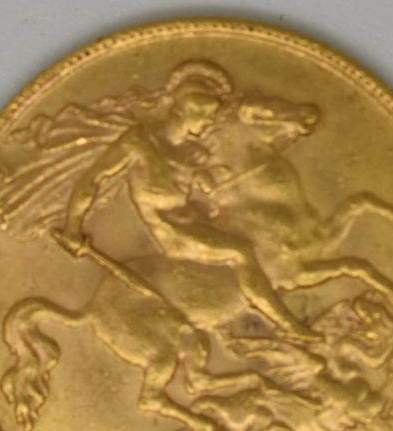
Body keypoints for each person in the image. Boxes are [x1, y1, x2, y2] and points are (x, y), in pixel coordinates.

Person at [52, 61, 316, 340]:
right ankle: (287, 323)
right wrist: (72, 227)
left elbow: (213, 176)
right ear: (188, 111)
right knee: (242, 251)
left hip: (198, 218)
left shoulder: (193, 152)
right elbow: (93, 178)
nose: (207, 124)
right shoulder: (141, 142)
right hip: (171, 229)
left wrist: (210, 179)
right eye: (205, 117)